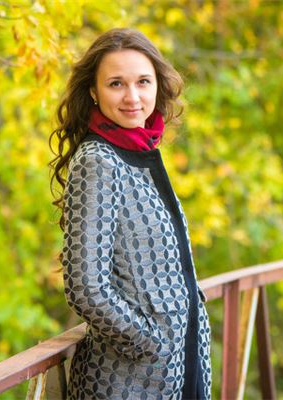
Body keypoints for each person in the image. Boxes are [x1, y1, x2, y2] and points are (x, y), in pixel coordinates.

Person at [49, 28, 212, 399]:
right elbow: (86, 288)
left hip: (177, 370)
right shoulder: (98, 161)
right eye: (116, 84)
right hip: (128, 382)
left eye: (143, 81)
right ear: (94, 92)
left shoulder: (140, 153)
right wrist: (151, 343)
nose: (132, 97)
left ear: (157, 85)